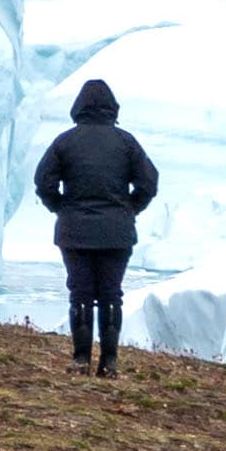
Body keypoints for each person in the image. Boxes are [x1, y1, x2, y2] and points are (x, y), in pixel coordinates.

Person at [33, 75, 162, 373]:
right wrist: (130, 209)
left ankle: (80, 358)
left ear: (78, 107)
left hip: (74, 231)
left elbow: (44, 181)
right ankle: (110, 361)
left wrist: (61, 208)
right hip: (117, 232)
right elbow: (148, 182)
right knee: (110, 292)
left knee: (80, 292)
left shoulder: (65, 141)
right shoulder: (126, 142)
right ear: (112, 108)